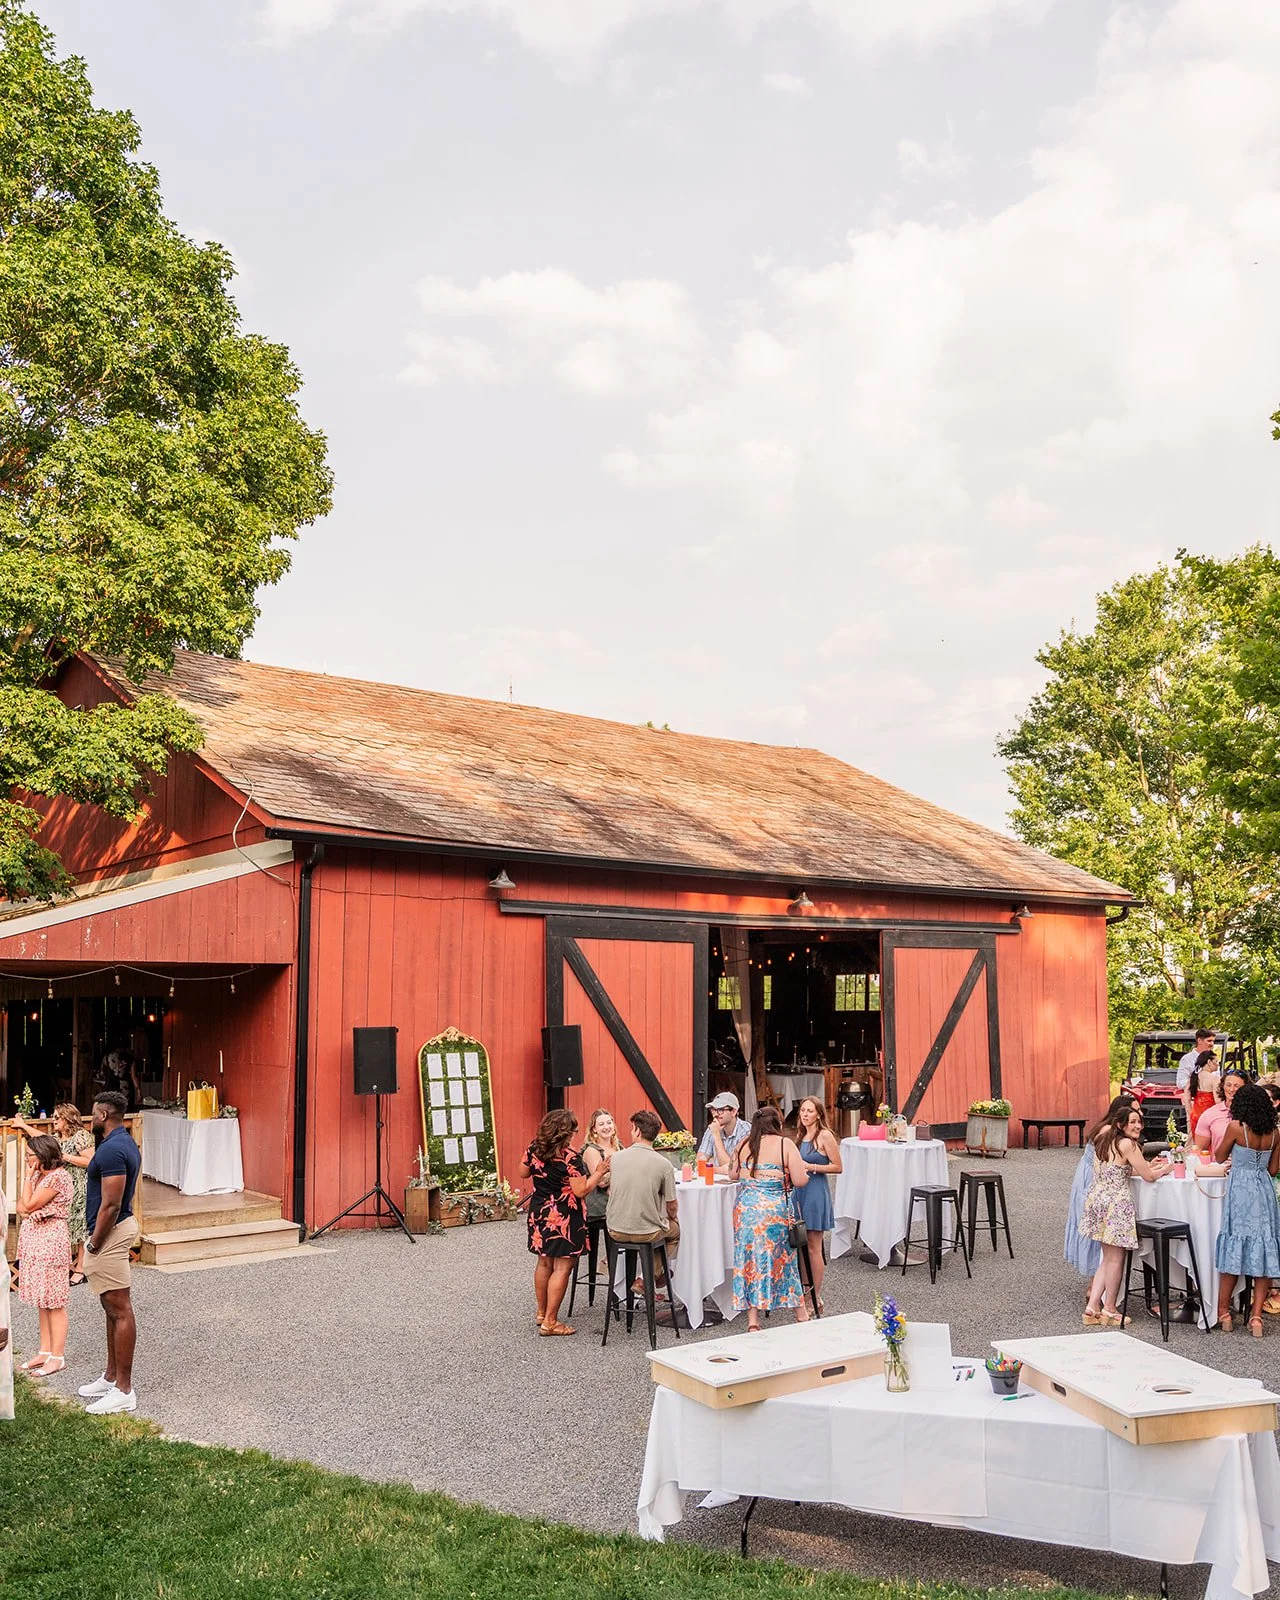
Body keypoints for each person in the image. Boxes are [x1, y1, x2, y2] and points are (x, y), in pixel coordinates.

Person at [77, 1091, 142, 1414]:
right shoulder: (121, 1142)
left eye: (92, 1114)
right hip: (111, 1232)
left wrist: (94, 1243)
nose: (90, 1120)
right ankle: (110, 1376)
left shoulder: (114, 1149)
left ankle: (124, 1390)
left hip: (110, 1234)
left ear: (103, 1114)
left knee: (120, 1309)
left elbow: (112, 1204)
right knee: (109, 1306)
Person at [517, 1109, 609, 1337]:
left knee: (544, 1262)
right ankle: (551, 1321)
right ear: (566, 1132)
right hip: (565, 1216)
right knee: (563, 1267)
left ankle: (541, 1313)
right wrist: (598, 1172)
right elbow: (581, 1190)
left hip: (540, 1212)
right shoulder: (570, 1158)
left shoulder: (534, 1148)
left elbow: (523, 1172)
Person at [1081, 1102, 1168, 1326]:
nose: (1138, 1125)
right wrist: (1167, 1168)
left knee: (1107, 1257)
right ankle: (1110, 1308)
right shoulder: (1128, 1144)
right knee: (1116, 1258)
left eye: (1139, 1121)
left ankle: (1092, 1307)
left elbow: (1121, 1167)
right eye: (1133, 1122)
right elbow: (1148, 1176)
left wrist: (1151, 1167)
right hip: (1115, 1204)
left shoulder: (1104, 1139)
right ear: (1120, 1124)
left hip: (1097, 1200)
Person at [730, 1106, 811, 1331]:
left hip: (745, 1210)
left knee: (750, 1261)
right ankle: (801, 1314)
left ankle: (753, 1320)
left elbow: (733, 1174)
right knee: (784, 1260)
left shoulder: (744, 1144)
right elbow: (800, 1180)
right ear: (778, 1123)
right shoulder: (785, 1144)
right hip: (773, 1211)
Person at [1213, 1081, 1280, 1336]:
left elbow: (1219, 1157)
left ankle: (1224, 1312)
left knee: (1234, 1247)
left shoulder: (1235, 1128)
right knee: (1264, 1252)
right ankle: (1256, 1318)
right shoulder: (1275, 1132)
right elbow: (1273, 1169)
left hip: (1241, 1190)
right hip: (1264, 1190)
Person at [605, 1110, 681, 1299]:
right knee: (674, 1232)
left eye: (632, 1129)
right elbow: (672, 1205)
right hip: (646, 1232)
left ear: (637, 1131)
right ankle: (649, 1277)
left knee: (653, 1230)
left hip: (614, 1228)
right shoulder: (663, 1164)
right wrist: (672, 1218)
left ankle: (643, 1279)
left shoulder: (616, 1158)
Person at [16, 1134, 73, 1378]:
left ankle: (57, 1357)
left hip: (51, 1241)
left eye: (30, 1155)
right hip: (36, 1241)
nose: (28, 1159)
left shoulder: (58, 1177)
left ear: (42, 1155)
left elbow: (28, 1205)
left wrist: (28, 1178)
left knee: (54, 1300)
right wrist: (30, 1211)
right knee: (42, 1298)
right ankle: (45, 1350)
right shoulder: (41, 1175)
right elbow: (21, 1207)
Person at [1064, 1093, 1135, 1279]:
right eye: (1134, 1110)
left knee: (1100, 1228)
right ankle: (1096, 1281)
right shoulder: (1107, 1132)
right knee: (1100, 1228)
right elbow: (1109, 1163)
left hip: (1089, 1173)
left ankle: (1097, 1283)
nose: (1138, 1113)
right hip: (1093, 1177)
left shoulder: (1107, 1128)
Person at [793, 1096, 841, 1311]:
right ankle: (804, 1292)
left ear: (819, 1114)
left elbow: (837, 1166)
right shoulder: (801, 1135)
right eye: (803, 1110)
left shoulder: (824, 1136)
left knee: (814, 1246)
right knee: (800, 1244)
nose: (805, 1114)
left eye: (810, 1111)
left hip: (815, 1192)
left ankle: (816, 1297)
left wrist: (810, 1166)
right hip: (799, 1191)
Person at [581, 1109, 622, 1231]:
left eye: (609, 1123)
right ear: (594, 1129)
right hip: (598, 1202)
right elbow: (601, 1182)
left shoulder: (618, 1146)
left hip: (616, 1197)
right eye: (601, 1124)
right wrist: (622, 1172)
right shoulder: (592, 1151)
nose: (606, 1127)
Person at [1194, 1068, 1248, 1157]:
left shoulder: (1254, 1113)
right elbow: (1200, 1150)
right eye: (1228, 1085)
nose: (1232, 1089)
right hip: (1219, 1167)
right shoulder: (1209, 1114)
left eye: (1237, 1086)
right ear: (1223, 1086)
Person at [697, 1091, 750, 1170]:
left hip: (739, 1181)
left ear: (733, 1112)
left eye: (720, 1110)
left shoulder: (746, 1130)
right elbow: (700, 1162)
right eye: (713, 1110)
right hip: (716, 1180)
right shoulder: (712, 1128)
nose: (715, 1114)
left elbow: (732, 1169)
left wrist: (717, 1136)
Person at [1186, 1051, 1219, 1139]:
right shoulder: (1215, 1079)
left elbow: (1186, 1099)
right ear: (1209, 1062)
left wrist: (1191, 1114)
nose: (1218, 1065)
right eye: (1216, 1061)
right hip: (1210, 1117)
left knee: (1198, 1146)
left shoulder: (1193, 1078)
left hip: (1195, 1116)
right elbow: (1218, 1101)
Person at [1177, 1029, 1217, 1097]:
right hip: (1197, 1099)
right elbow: (1180, 1083)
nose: (1212, 1044)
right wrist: (1200, 1084)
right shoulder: (1187, 1059)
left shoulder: (1214, 1058)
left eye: (1213, 1041)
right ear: (1199, 1041)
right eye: (1209, 1041)